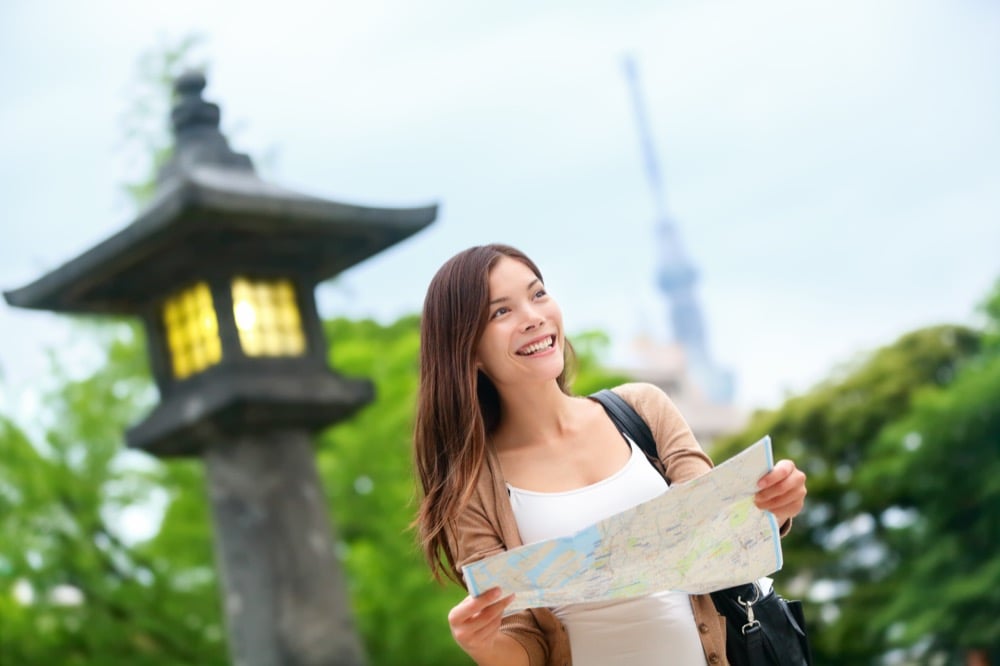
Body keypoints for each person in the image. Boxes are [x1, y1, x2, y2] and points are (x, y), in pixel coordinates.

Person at [413, 243, 807, 666]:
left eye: (538, 294)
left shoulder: (643, 408)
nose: (533, 317)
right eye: (500, 312)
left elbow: (717, 531)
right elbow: (523, 645)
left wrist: (773, 508)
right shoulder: (471, 488)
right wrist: (482, 643)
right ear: (467, 350)